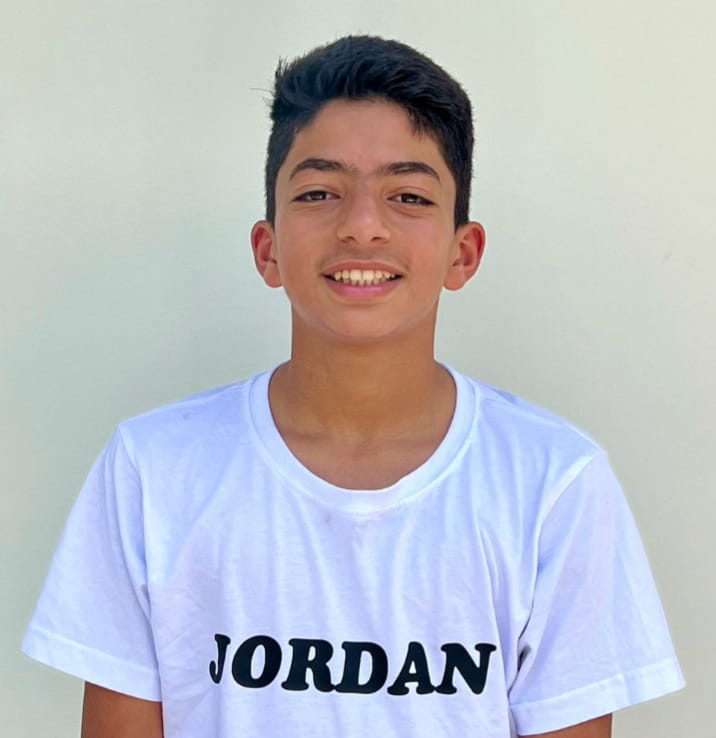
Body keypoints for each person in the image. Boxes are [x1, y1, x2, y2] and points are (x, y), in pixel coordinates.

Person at [23, 35, 684, 738]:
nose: (363, 226)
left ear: (462, 253)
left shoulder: (553, 484)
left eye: (408, 196)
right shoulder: (152, 472)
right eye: (318, 193)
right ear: (267, 249)